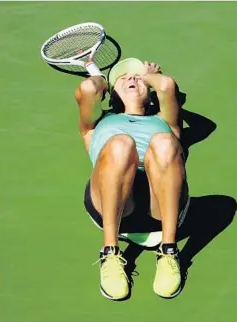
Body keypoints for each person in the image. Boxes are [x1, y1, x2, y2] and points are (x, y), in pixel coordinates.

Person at [75, 58, 190, 300]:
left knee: (164, 141)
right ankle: (110, 253)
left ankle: (169, 251)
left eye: (138, 77)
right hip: (112, 204)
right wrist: (100, 80)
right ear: (110, 92)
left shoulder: (165, 122)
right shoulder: (96, 124)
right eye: (124, 77)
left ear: (150, 94)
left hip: (160, 205)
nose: (132, 78)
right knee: (120, 144)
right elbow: (86, 90)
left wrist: (151, 77)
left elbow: (167, 86)